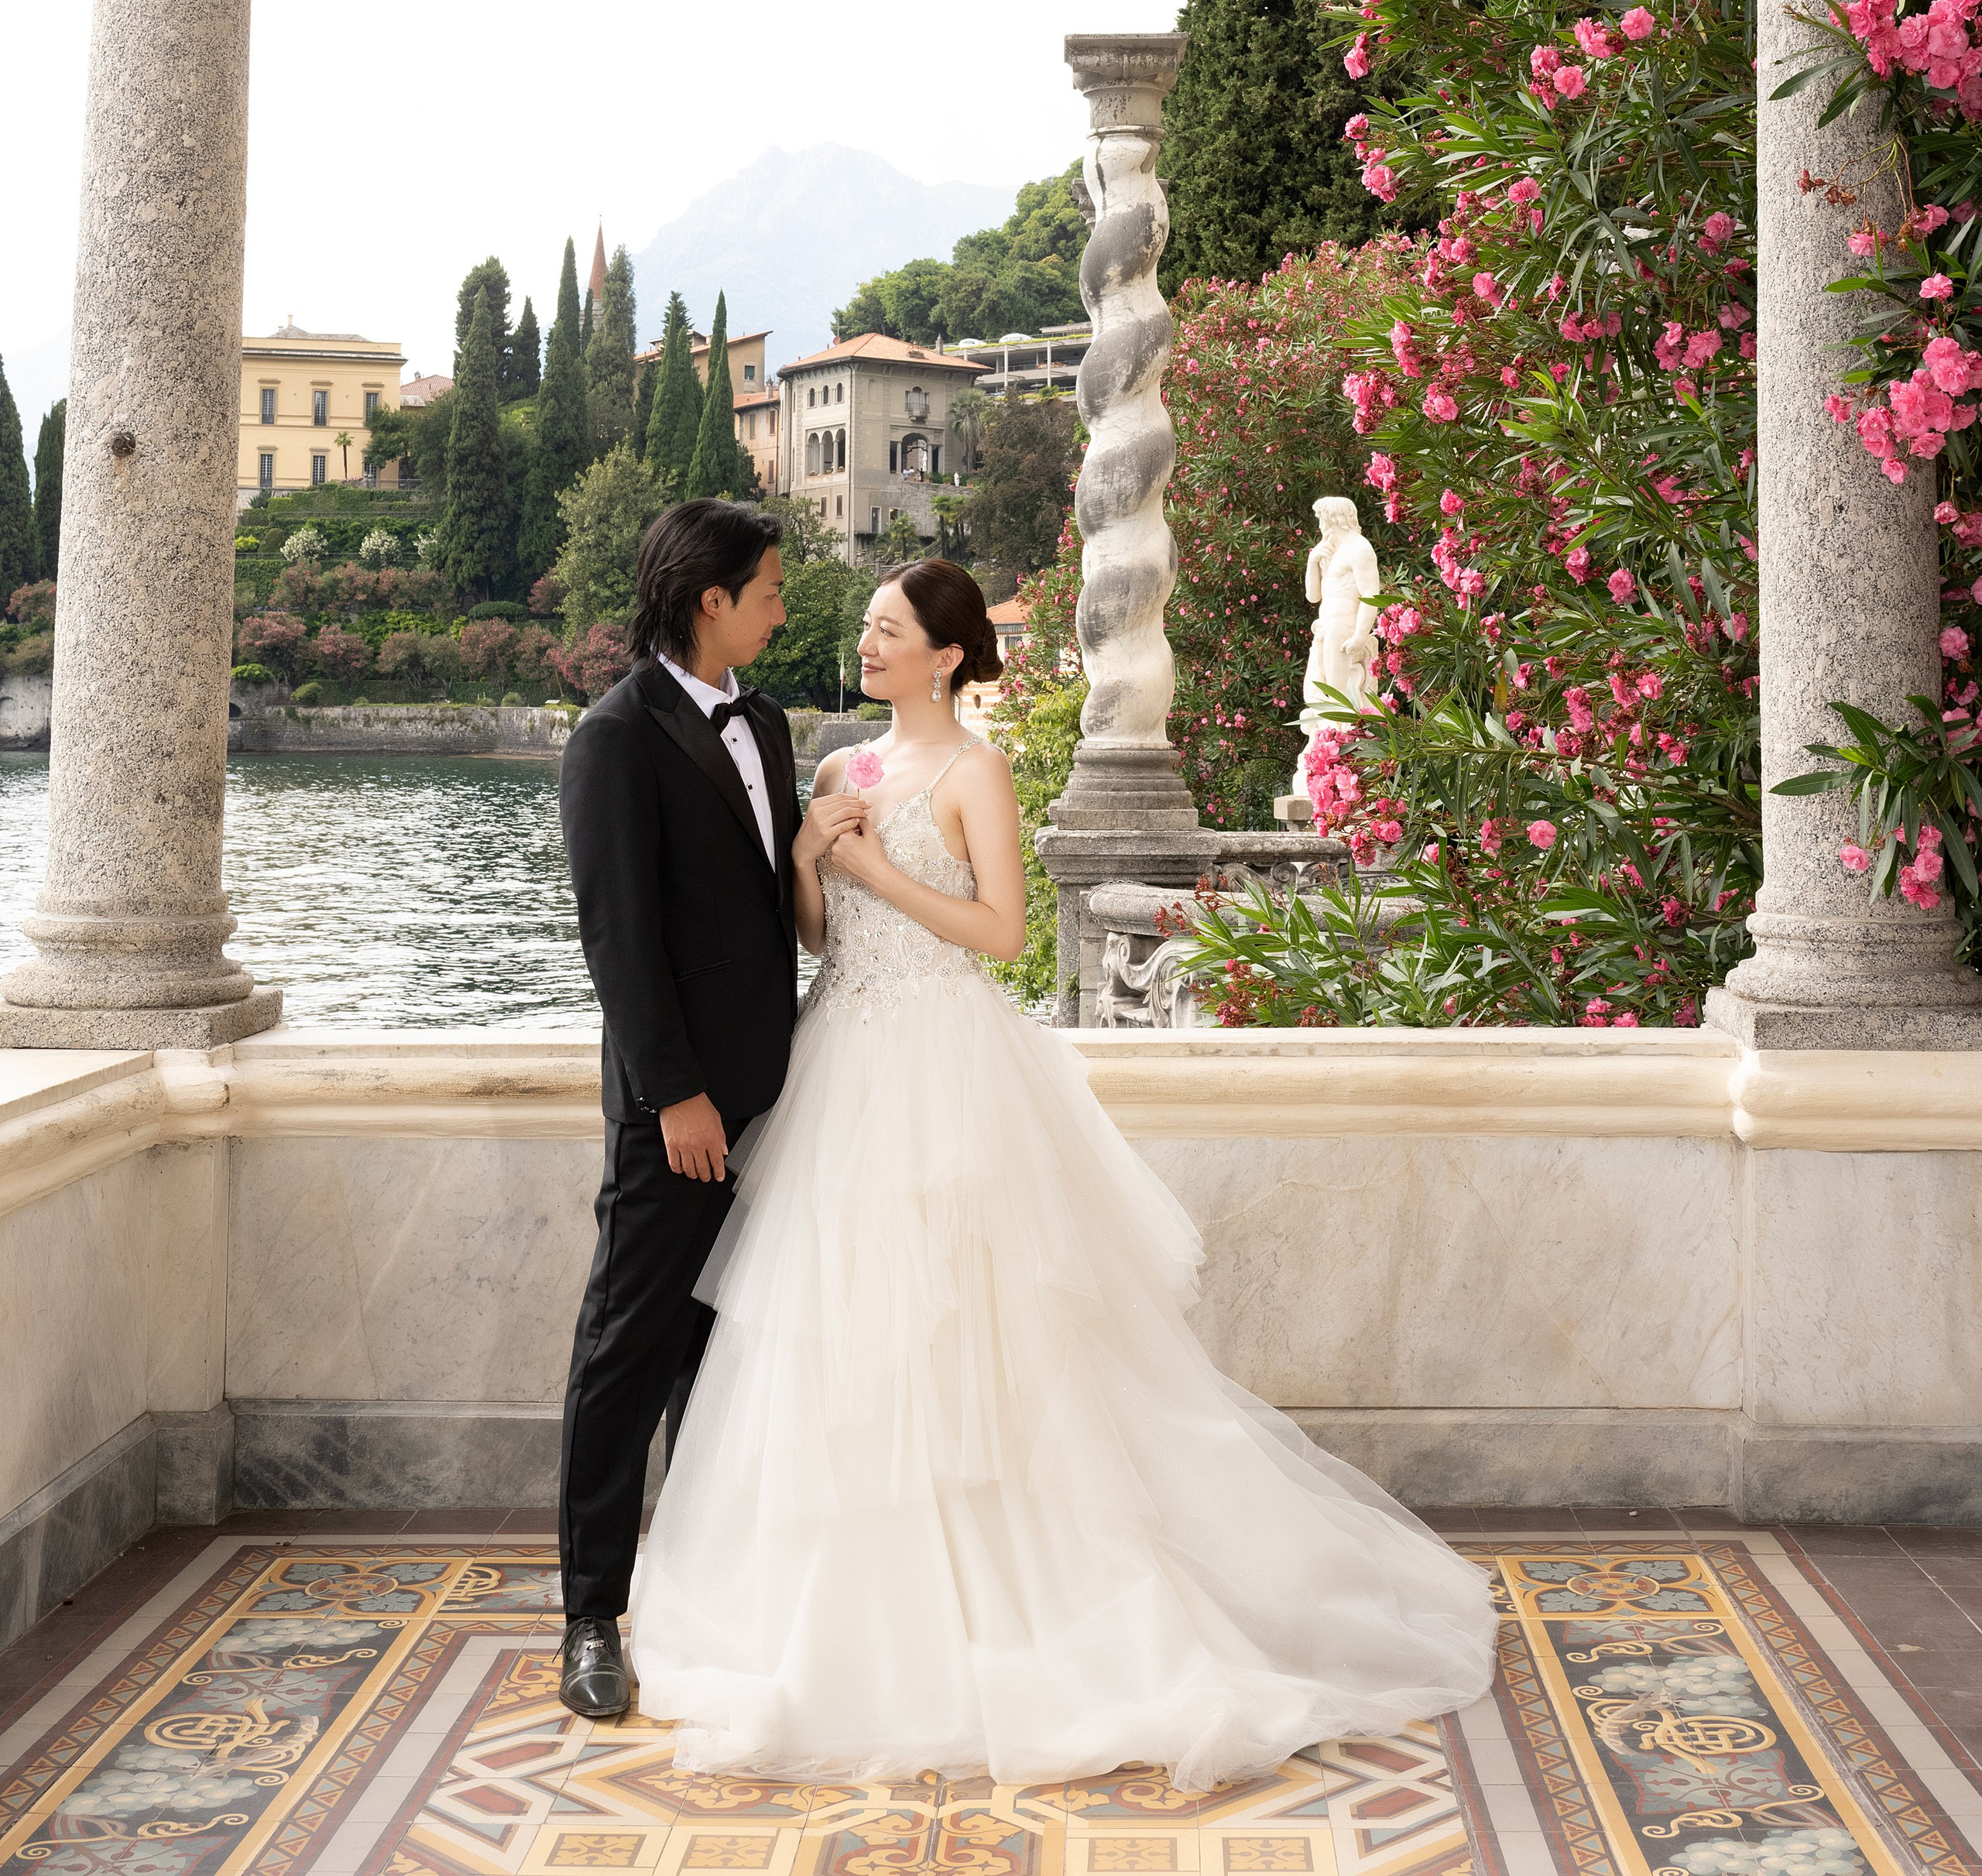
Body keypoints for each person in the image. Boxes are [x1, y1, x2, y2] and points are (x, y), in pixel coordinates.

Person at [627, 554, 1495, 1787]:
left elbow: (1004, 934)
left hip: (945, 1063)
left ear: (944, 653)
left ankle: (1023, 1605)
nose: (865, 646)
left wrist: (872, 866)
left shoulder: (976, 770)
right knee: (842, 1336)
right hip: (843, 1061)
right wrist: (817, 866)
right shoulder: (831, 769)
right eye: (865, 630)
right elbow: (820, 936)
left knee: (974, 1334)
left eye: (886, 631)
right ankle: (851, 1613)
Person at [556, 497, 798, 1721]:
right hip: (681, 1110)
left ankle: (703, 1590)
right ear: (711, 600)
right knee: (629, 1347)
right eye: (767, 589)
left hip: (780, 1097)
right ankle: (591, 1616)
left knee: (729, 1347)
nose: (780, 607)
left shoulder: (772, 722)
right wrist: (679, 1097)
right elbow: (619, 940)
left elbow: (779, 895)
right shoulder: (615, 735)